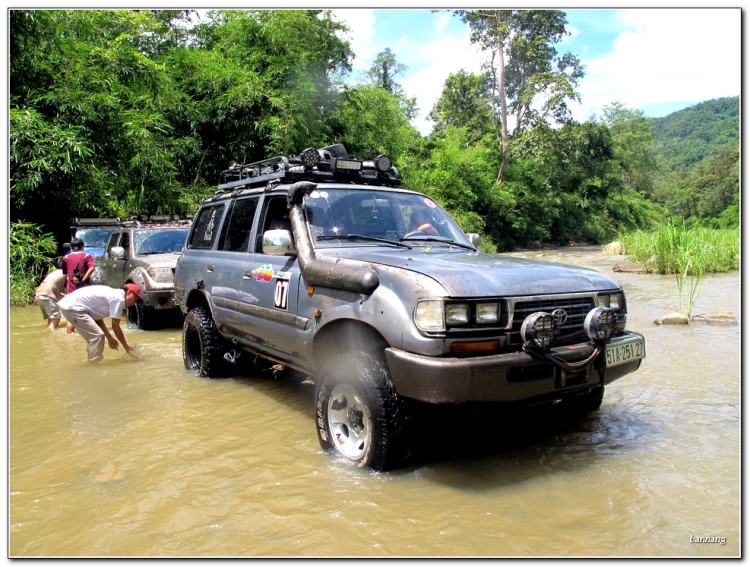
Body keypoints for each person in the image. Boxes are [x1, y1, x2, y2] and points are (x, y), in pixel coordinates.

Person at [58, 283, 143, 363]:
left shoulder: (113, 295)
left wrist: (109, 338)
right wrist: (127, 347)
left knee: (96, 336)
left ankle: (91, 361)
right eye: (135, 298)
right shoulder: (119, 299)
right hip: (72, 307)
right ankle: (93, 368)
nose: (134, 302)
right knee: (97, 336)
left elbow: (98, 320)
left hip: (69, 305)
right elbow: (115, 326)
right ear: (128, 292)